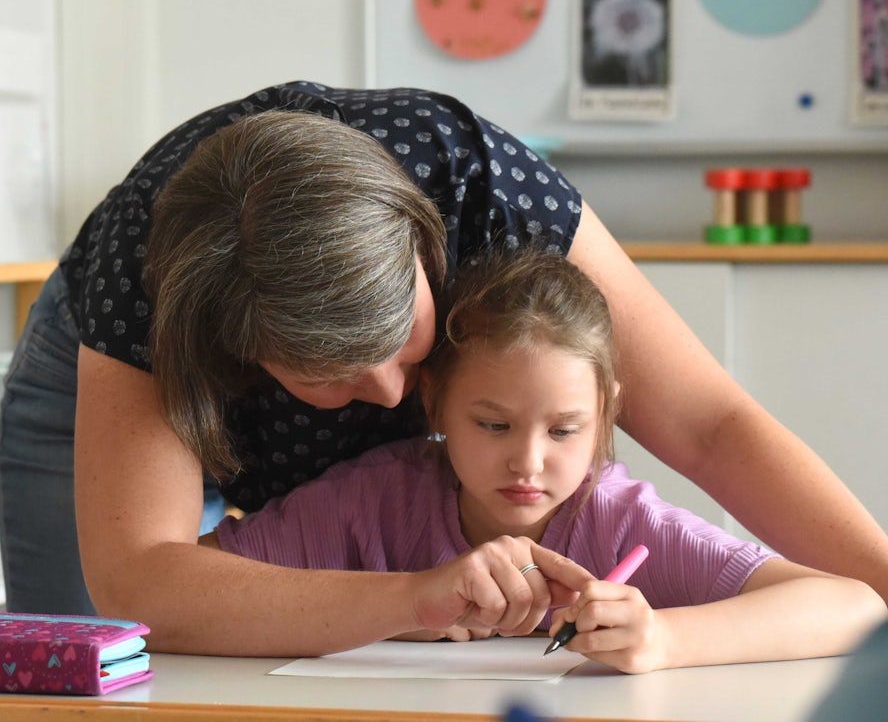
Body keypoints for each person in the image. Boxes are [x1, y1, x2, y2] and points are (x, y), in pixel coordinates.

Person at [0, 81, 888, 656]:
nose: (395, 395)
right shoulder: (148, 288)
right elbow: (144, 585)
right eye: (335, 375)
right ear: (243, 354)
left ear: (428, 250)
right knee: (87, 669)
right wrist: (416, 597)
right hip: (115, 368)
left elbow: (709, 424)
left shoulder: (486, 189)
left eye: (407, 343)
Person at [198, 250, 886, 669]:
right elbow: (197, 583)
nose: (527, 462)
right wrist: (381, 611)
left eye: (564, 431)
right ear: (433, 401)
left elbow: (853, 606)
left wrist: (662, 639)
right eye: (493, 424)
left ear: (608, 415)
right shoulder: (374, 499)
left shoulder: (619, 522)